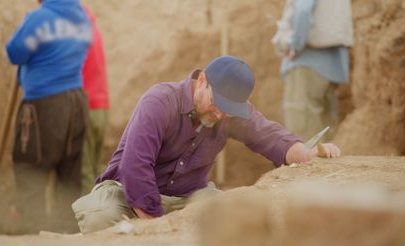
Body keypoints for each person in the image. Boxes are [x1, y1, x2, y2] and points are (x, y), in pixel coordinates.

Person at [72, 55, 341, 234]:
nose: (221, 115)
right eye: (219, 104)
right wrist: (158, 227)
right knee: (100, 216)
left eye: (229, 109)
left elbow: (269, 136)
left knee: (235, 214)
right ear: (202, 81)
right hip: (128, 193)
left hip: (189, 197)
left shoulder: (230, 112)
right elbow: (135, 167)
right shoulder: (159, 102)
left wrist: (306, 152)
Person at [6, 0, 91, 233]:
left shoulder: (39, 18)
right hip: (77, 101)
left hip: (44, 102)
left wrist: (25, 25)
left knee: (30, 166)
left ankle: (32, 229)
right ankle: (68, 229)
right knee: (69, 170)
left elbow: (14, 53)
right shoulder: (81, 17)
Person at [278, 0, 353, 141]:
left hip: (306, 63)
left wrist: (294, 45)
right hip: (332, 66)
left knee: (302, 130)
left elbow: (302, 11)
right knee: (326, 131)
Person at [80, 6, 110, 195]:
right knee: (96, 168)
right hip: (101, 106)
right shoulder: (93, 28)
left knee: (83, 171)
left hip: (86, 106)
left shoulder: (75, 32)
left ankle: (87, 220)